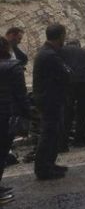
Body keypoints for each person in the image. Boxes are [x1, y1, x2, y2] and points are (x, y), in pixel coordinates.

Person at [33, 24, 71, 180]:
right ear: (60, 36)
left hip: (49, 99)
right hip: (50, 101)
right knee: (49, 134)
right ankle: (43, 168)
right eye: (64, 35)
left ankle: (49, 164)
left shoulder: (47, 53)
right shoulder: (50, 55)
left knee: (54, 134)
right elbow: (66, 73)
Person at [0, 37, 31, 203]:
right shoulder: (13, 66)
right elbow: (21, 94)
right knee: (2, 152)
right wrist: (28, 113)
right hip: (7, 115)